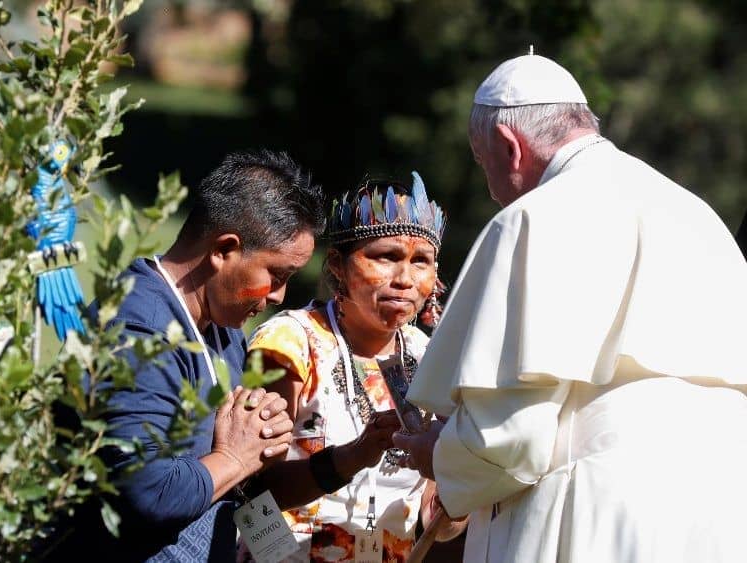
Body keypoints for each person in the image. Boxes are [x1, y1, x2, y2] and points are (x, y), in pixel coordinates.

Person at [392, 53, 747, 562]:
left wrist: (441, 456)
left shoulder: (534, 218)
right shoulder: (698, 214)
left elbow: (511, 440)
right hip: (721, 510)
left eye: (483, 163)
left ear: (509, 147)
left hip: (606, 509)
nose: (491, 190)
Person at [46, 150, 326, 561]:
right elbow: (148, 491)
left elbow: (233, 481)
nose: (279, 296)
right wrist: (235, 457)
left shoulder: (222, 331)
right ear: (224, 250)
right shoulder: (137, 331)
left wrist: (267, 446)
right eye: (276, 275)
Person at [247, 175, 466, 562]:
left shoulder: (428, 356)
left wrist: (461, 485)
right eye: (386, 257)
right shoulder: (288, 344)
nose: (404, 280)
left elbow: (438, 521)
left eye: (421, 261)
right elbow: (250, 487)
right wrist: (352, 456)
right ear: (338, 265)